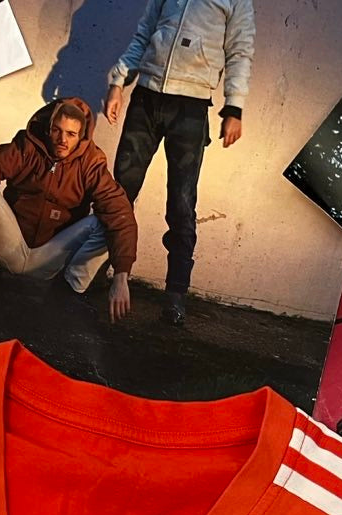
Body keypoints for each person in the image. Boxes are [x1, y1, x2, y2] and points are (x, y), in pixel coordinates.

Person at [103, 0, 255, 327]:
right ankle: (99, 271)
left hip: (191, 107)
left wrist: (234, 107)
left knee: (182, 202)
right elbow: (145, 32)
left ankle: (175, 294)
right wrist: (118, 82)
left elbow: (240, 51)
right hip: (146, 96)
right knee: (119, 193)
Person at [0, 97, 136, 321]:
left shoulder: (90, 164)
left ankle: (67, 293)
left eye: (71, 134)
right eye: (57, 131)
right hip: (12, 245)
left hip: (51, 256)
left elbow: (121, 215)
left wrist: (120, 277)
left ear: (81, 137)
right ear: (48, 129)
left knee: (103, 222)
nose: (62, 140)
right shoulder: (27, 147)